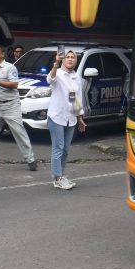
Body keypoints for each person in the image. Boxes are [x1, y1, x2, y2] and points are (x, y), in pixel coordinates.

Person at [0, 45, 37, 171]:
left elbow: (15, 84)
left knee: (18, 132)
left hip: (11, 104)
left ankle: (31, 159)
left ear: (2, 54)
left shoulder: (10, 67)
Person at [47, 50, 86, 190]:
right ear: (63, 60)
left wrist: (80, 118)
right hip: (56, 117)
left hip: (71, 118)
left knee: (65, 149)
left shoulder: (76, 77)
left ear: (76, 60)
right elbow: (49, 79)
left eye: (73, 57)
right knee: (58, 148)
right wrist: (56, 63)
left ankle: (61, 175)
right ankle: (57, 178)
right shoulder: (57, 73)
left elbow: (77, 99)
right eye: (67, 57)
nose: (70, 59)